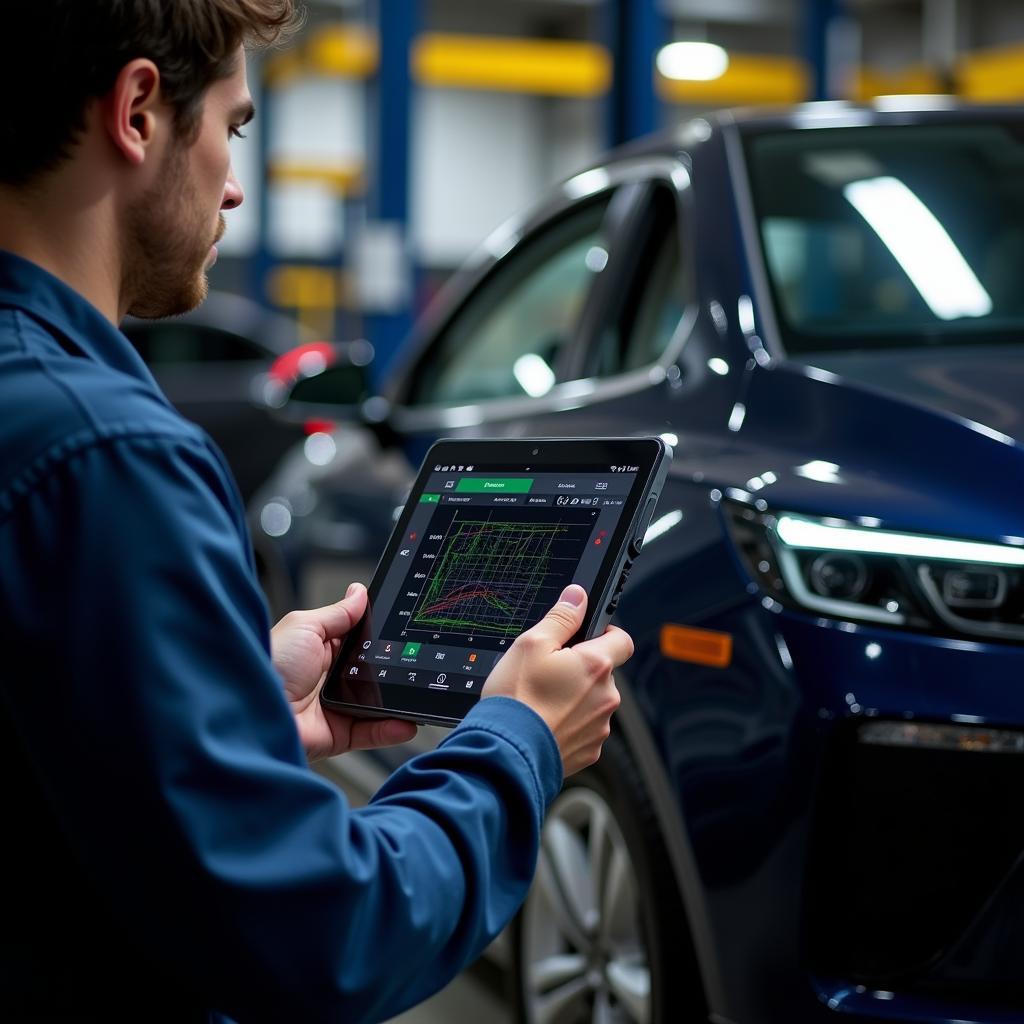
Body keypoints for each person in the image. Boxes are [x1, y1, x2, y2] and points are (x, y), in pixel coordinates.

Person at [0, 3, 632, 1021]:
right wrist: (518, 739)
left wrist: (234, 699)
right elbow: (322, 934)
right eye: (234, 127)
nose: (236, 183)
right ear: (138, 110)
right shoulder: (108, 456)